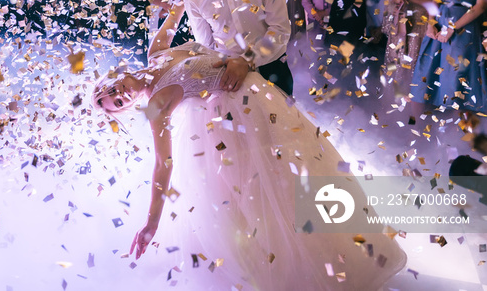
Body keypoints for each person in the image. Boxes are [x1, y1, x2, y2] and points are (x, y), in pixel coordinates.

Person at [92, 34, 407, 290]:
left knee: (308, 173)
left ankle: (349, 256)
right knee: (275, 196)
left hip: (260, 100)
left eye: (110, 89)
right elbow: (164, 164)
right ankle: (299, 275)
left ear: (112, 78)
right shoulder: (157, 106)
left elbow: (181, 3)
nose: (118, 93)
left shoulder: (157, 52)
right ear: (127, 107)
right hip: (235, 125)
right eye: (117, 101)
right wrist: (152, 223)